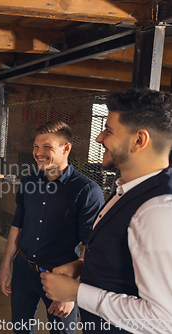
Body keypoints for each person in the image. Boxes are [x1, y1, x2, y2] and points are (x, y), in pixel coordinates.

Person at [41, 88, 172, 333]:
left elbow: (162, 319)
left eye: (109, 130)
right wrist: (82, 265)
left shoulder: (157, 210)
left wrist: (76, 292)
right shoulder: (128, 188)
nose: (99, 137)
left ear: (138, 140)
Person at [0, 121, 105, 334]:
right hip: (23, 269)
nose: (38, 153)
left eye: (47, 147)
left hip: (62, 276)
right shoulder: (28, 181)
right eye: (36, 147)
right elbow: (17, 225)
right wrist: (5, 264)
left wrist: (73, 291)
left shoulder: (86, 190)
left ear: (66, 148)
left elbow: (91, 245)